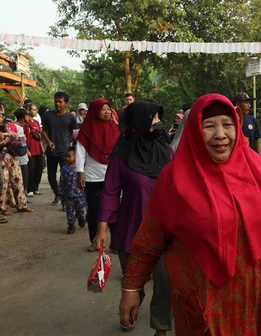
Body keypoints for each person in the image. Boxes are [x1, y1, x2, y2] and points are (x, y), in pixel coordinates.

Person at [113, 94, 261, 335]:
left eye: (227, 125)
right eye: (209, 126)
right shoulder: (175, 178)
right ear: (193, 132)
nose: (220, 134)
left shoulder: (258, 169)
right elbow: (150, 238)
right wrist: (131, 288)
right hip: (199, 298)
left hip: (251, 297)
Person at [94, 100, 173, 335]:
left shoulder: (168, 151)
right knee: (133, 281)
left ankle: (161, 328)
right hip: (132, 229)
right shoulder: (121, 155)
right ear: (139, 121)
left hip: (164, 230)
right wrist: (101, 229)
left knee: (165, 283)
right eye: (154, 118)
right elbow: (109, 193)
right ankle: (131, 308)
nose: (159, 123)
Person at [76, 98, 120, 252]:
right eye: (103, 109)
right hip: (92, 175)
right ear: (95, 111)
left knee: (115, 208)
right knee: (94, 209)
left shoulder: (115, 127)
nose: (107, 112)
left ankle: (116, 242)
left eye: (108, 109)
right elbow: (80, 153)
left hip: (113, 175)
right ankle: (94, 241)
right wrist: (80, 173)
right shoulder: (87, 130)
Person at [42, 91, 77, 206]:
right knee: (51, 177)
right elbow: (43, 130)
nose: (57, 104)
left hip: (64, 153)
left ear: (66, 103)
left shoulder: (71, 118)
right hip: (51, 151)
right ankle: (58, 194)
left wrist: (68, 141)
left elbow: (75, 132)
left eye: (60, 102)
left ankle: (65, 200)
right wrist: (48, 141)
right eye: (56, 101)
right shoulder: (48, 115)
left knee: (65, 177)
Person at [0, 115, 34, 215]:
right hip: (1, 159)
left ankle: (21, 205)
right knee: (4, 183)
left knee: (18, 180)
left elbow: (18, 138)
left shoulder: (9, 126)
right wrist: (5, 141)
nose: (1, 118)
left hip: (12, 157)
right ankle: (3, 207)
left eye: (1, 115)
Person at [57, 147, 86, 234]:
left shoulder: (80, 169)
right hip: (68, 195)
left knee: (81, 209)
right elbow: (61, 182)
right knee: (69, 211)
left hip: (79, 195)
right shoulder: (64, 169)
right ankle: (71, 225)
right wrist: (60, 194)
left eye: (70, 156)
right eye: (66, 156)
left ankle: (81, 217)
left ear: (76, 156)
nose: (67, 158)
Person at [24, 104, 46, 197]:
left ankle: (36, 188)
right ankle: (30, 189)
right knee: (31, 170)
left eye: (36, 109)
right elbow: (24, 138)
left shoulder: (36, 122)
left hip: (38, 149)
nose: (35, 111)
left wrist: (42, 148)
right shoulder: (25, 124)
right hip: (30, 150)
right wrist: (26, 150)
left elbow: (40, 136)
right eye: (33, 109)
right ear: (28, 110)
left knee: (39, 169)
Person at [13, 109, 30, 196]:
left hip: (18, 155)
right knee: (23, 176)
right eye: (27, 116)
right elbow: (21, 142)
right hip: (20, 156)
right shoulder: (18, 127)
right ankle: (22, 195)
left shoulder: (14, 126)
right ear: (24, 117)